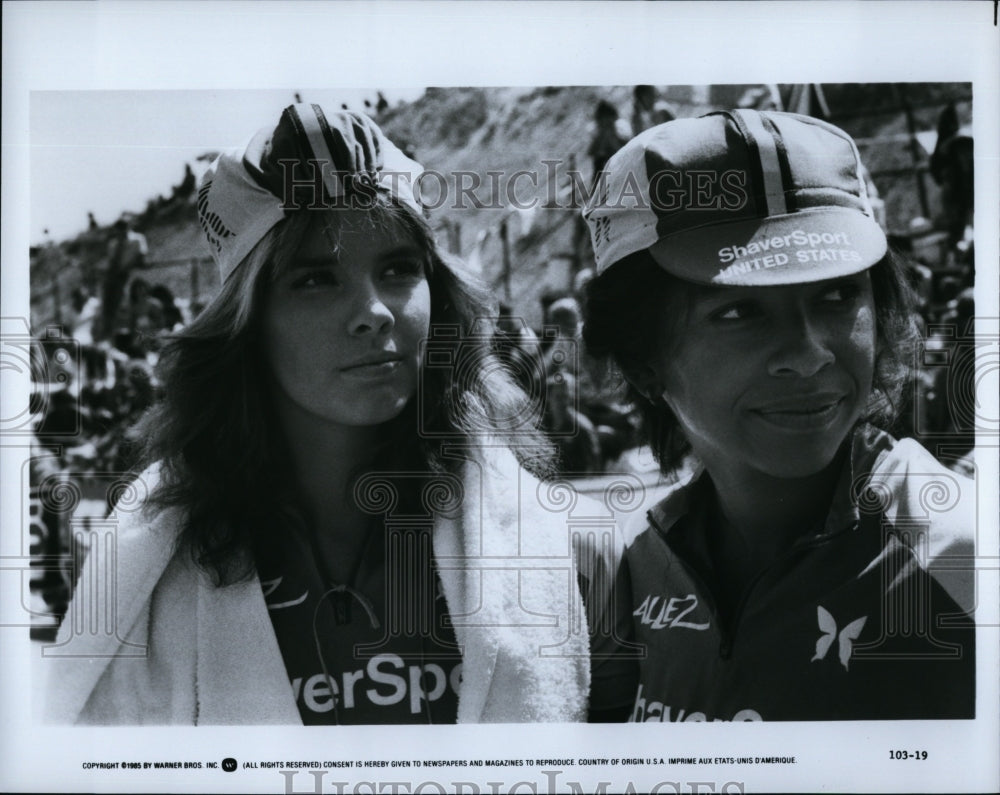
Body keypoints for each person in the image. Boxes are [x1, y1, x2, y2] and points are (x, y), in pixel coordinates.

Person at [45, 104, 622, 725]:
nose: (373, 311)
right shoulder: (144, 582)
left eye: (399, 268)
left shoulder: (573, 556)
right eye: (315, 279)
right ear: (247, 322)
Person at [581, 110, 976, 721]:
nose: (809, 353)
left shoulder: (962, 562)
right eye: (740, 312)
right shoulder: (632, 572)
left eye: (838, 294)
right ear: (641, 362)